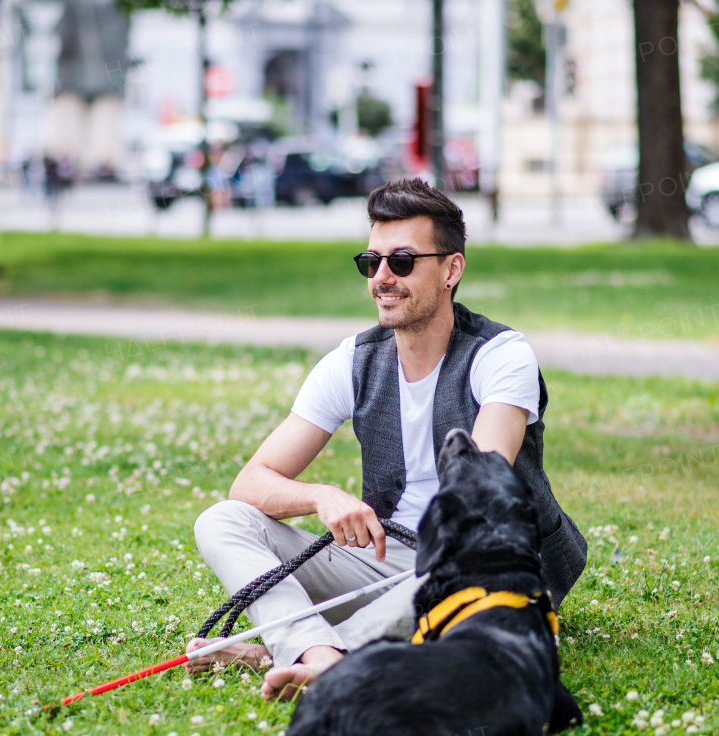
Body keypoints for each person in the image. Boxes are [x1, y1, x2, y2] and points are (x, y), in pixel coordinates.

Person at [188, 179, 587, 701]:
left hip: (483, 560)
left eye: (401, 261)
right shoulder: (352, 361)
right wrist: (320, 496)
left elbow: (480, 486)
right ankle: (318, 654)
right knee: (223, 519)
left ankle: (306, 655)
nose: (381, 277)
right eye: (370, 262)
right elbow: (251, 483)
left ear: (451, 270)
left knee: (453, 573)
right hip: (384, 556)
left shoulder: (500, 355)